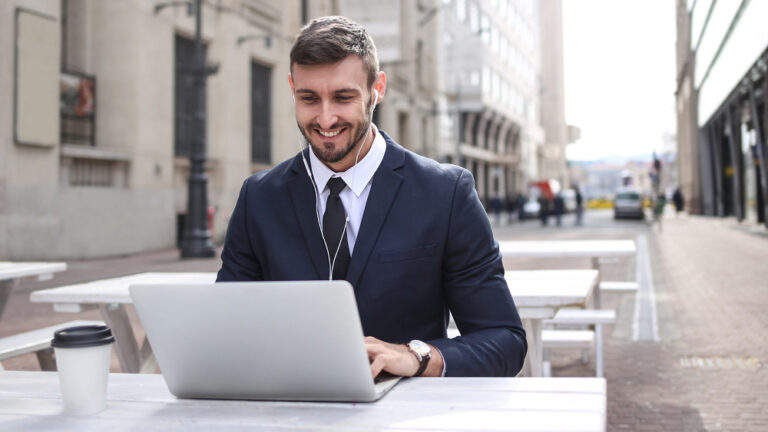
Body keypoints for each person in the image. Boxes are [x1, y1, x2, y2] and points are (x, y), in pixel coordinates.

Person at [217, 16, 526, 378]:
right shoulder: (259, 197)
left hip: (405, 415)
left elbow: (504, 340)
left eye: (343, 97)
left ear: (377, 88)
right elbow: (227, 326)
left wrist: (417, 357)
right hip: (289, 407)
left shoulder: (446, 194)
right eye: (309, 98)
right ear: (292, 88)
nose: (326, 118)